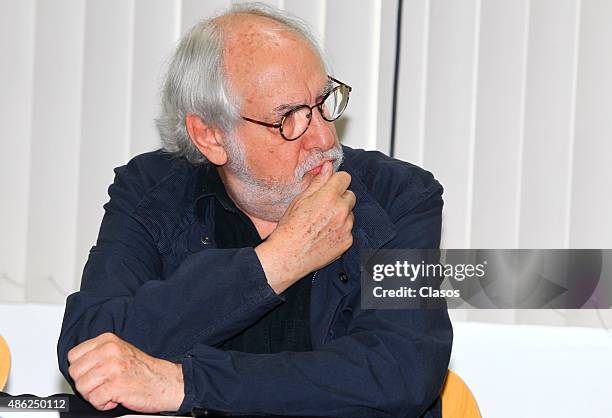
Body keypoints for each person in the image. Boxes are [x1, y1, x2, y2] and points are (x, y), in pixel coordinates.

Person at [57, 3, 452, 417]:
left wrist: (185, 384)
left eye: (322, 103)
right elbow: (89, 352)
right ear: (210, 136)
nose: (321, 137)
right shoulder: (151, 190)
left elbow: (400, 372)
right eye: (289, 118)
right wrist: (275, 263)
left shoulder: (399, 197)